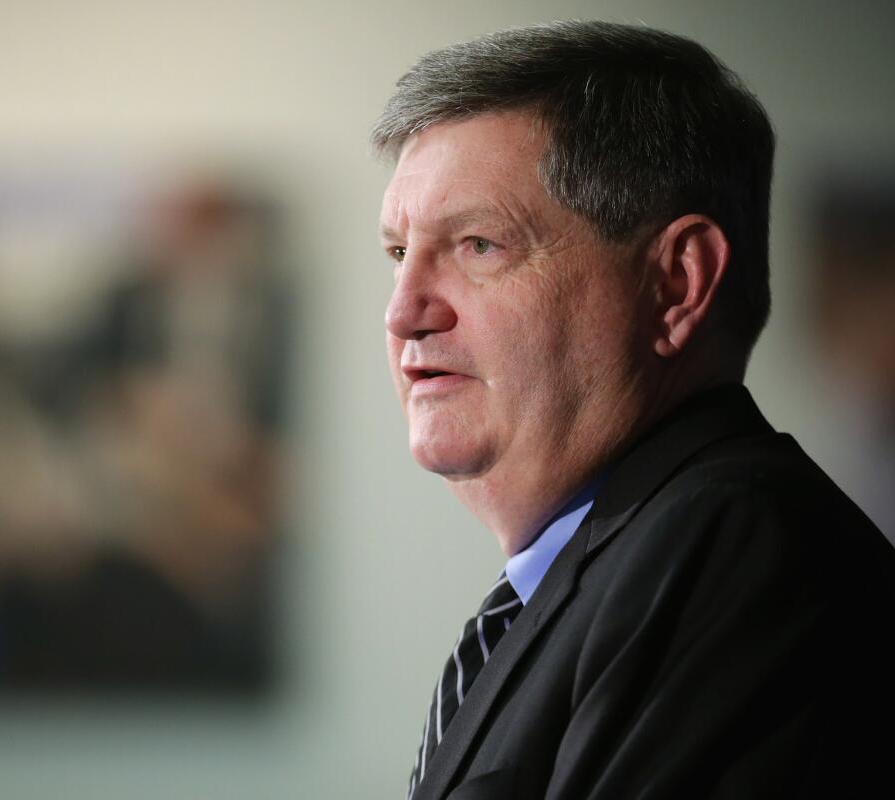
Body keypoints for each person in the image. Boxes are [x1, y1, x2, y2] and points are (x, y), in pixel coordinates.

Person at [371, 21, 895, 800]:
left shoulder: (733, 544)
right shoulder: (623, 557)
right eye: (397, 253)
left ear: (677, 284)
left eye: (479, 245)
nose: (404, 311)